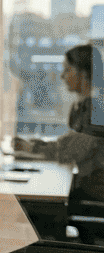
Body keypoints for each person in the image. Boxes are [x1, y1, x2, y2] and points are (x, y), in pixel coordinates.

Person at [15, 44, 104, 203]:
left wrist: (32, 148)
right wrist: (38, 145)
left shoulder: (97, 109)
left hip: (95, 197)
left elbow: (72, 150)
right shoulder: (81, 107)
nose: (62, 76)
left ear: (83, 74)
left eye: (68, 69)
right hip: (87, 188)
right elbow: (69, 143)